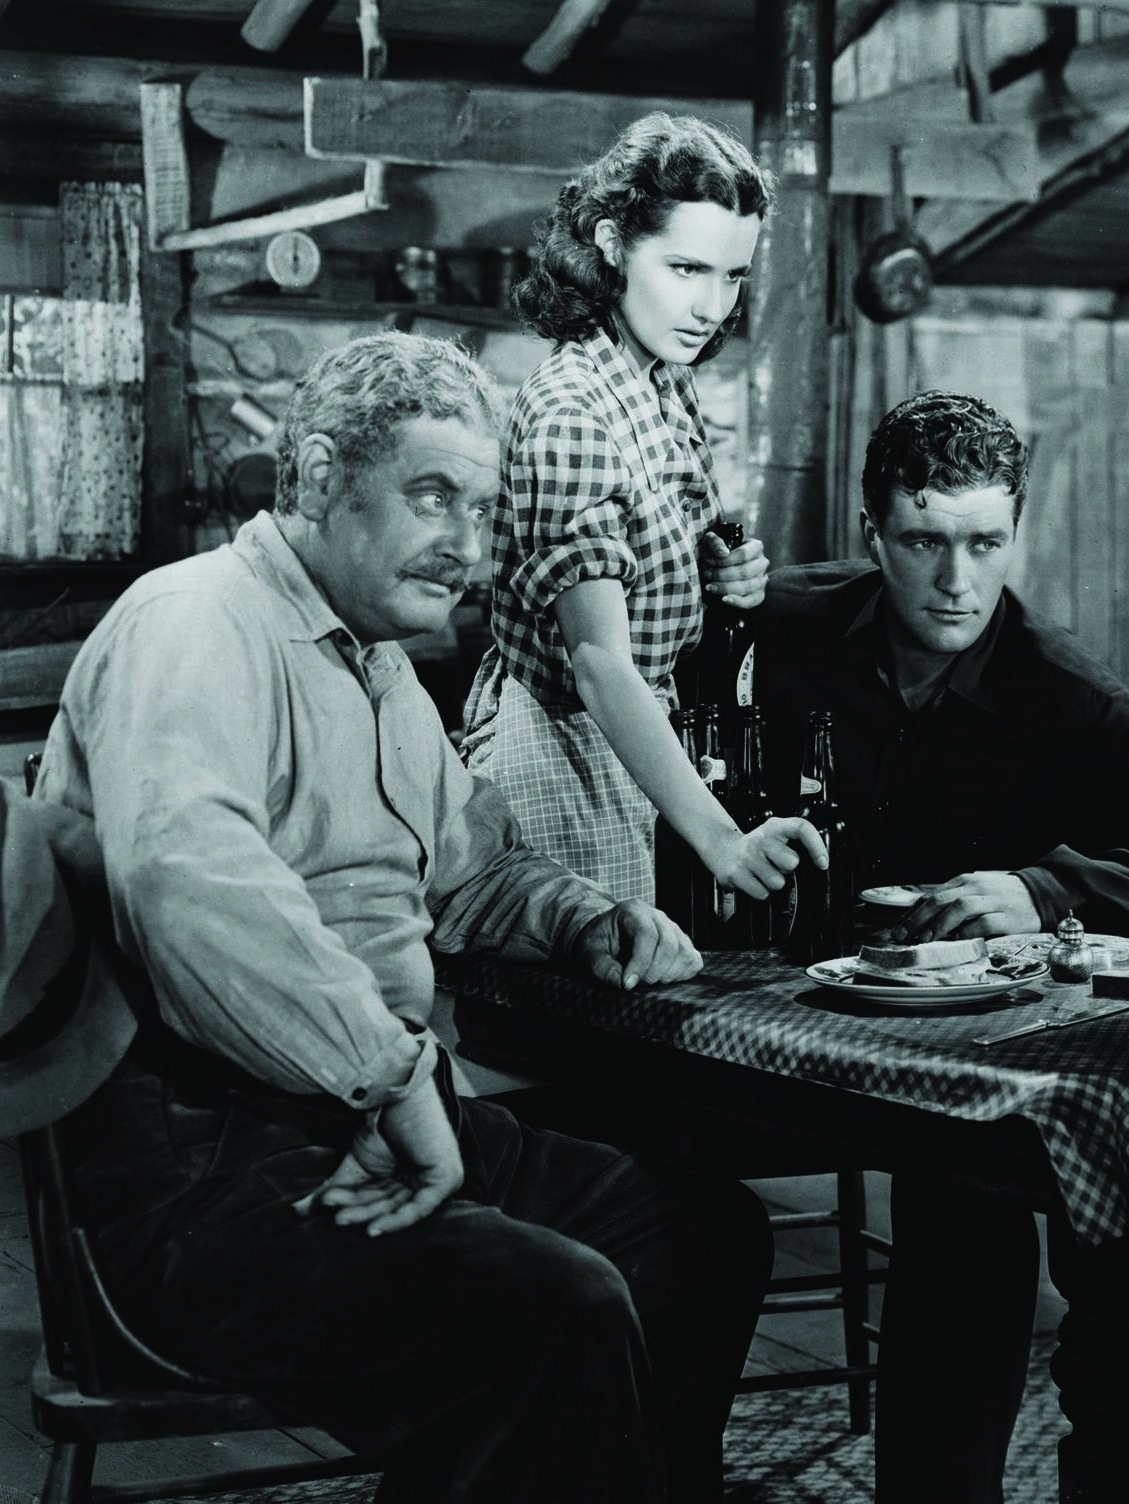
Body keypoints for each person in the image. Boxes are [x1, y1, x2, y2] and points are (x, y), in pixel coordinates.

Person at [32, 331, 774, 1503]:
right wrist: (390, 1077)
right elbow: (187, 875)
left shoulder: (373, 666)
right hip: (202, 1176)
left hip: (357, 1118)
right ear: (320, 475)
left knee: (700, 1239)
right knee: (559, 1305)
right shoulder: (195, 619)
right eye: (435, 497)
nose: (470, 550)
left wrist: (583, 918)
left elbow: (468, 869)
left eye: (484, 512)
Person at [756, 389, 1129, 1501]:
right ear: (872, 531)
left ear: (1014, 531)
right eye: (924, 543)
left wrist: (1042, 888)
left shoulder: (1059, 688)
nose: (956, 581)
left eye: (985, 543)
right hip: (770, 1005)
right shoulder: (782, 622)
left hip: (966, 1040)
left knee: (1027, 1198)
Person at [462, 110, 824, 909]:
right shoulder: (570, 408)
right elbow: (597, 661)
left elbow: (637, 554)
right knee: (580, 1008)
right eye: (687, 269)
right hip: (560, 744)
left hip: (635, 737)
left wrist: (711, 566)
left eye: (732, 277)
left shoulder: (663, 379)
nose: (713, 305)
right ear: (611, 243)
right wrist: (722, 837)